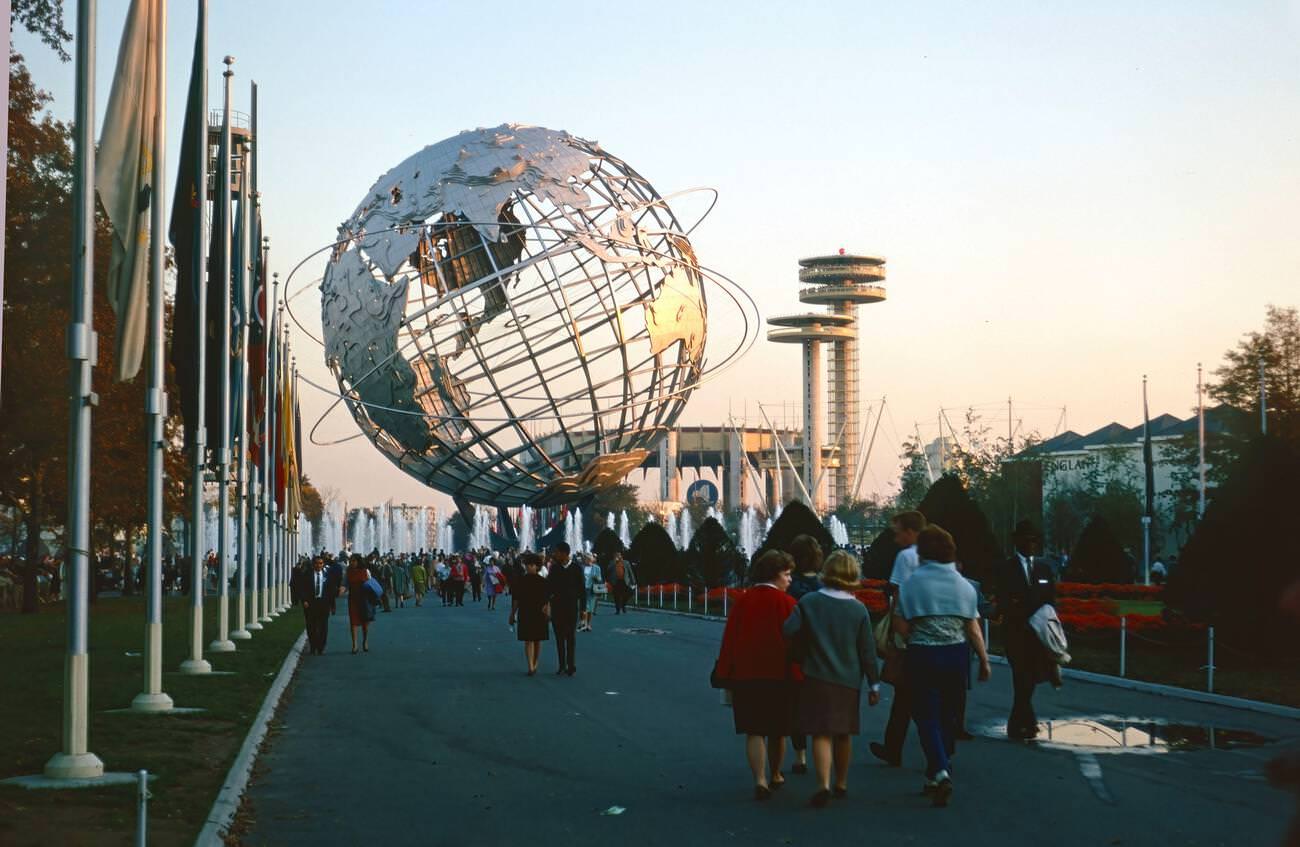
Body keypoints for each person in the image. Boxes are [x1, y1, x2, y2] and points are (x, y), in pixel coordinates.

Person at [896, 525, 991, 807]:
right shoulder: (964, 586)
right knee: (949, 713)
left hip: (923, 654)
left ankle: (939, 769)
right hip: (956, 655)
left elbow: (901, 626)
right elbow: (972, 627)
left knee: (926, 716)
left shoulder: (911, 584)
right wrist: (984, 660)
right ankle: (939, 768)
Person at [782, 550, 880, 807]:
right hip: (848, 680)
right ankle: (841, 782)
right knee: (843, 733)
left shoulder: (809, 601)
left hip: (815, 675)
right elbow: (867, 650)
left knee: (821, 733)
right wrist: (874, 683)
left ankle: (823, 783)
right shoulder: (858, 609)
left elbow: (788, 629)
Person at [713, 550, 801, 801]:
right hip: (781, 676)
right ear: (775, 575)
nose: (790, 580)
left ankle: (759, 779)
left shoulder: (743, 601)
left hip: (746, 675)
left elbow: (730, 639)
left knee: (754, 730)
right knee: (778, 730)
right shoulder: (788, 604)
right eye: (787, 574)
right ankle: (775, 774)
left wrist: (724, 672)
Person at [870, 509, 926, 767]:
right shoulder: (936, 555)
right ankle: (939, 747)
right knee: (918, 694)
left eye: (897, 532)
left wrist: (894, 629)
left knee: (906, 693)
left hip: (908, 631)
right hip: (935, 631)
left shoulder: (906, 557)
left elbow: (897, 593)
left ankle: (895, 748)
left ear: (910, 532)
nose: (894, 539)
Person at [995, 519, 1056, 740]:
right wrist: (1023, 612)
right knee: (1021, 676)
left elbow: (1050, 600)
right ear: (1017, 542)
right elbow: (1003, 600)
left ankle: (1024, 720)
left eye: (1035, 540)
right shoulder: (1005, 568)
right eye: (1027, 540)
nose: (1032, 545)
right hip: (1015, 633)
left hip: (1038, 635)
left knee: (1030, 678)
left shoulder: (1044, 568)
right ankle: (1020, 723)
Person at [785, 533, 824, 776]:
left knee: (795, 706)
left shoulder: (790, 588)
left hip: (796, 654)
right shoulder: (824, 586)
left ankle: (800, 755)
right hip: (821, 654)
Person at [508, 552, 550, 674]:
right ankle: (530, 665)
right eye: (527, 565)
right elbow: (516, 599)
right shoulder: (520, 581)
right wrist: (512, 614)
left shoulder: (543, 582)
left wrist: (548, 611)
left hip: (539, 612)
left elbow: (547, 599)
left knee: (537, 639)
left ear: (537, 566)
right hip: (525, 611)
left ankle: (535, 662)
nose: (528, 567)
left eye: (531, 565)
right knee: (528, 639)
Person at [546, 542, 584, 675]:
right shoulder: (554, 569)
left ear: (564, 553)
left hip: (571, 608)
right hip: (557, 608)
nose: (555, 554)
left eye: (557, 552)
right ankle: (562, 665)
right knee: (559, 637)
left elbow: (582, 589)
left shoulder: (576, 568)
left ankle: (571, 665)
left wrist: (583, 609)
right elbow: (549, 587)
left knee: (571, 637)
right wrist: (546, 604)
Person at [296, 556, 340, 655]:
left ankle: (321, 647)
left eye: (320, 563)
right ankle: (313, 646)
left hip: (324, 604)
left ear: (323, 564)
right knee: (311, 626)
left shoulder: (328, 575)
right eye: (316, 563)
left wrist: (332, 606)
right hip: (311, 604)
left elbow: (331, 591)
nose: (318, 565)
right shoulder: (307, 575)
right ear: (313, 564)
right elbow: (302, 588)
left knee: (323, 626)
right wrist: (304, 600)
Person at [346, 554, 376, 654]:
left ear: (358, 562)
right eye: (350, 561)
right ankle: (354, 644)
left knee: (365, 622)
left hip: (364, 599)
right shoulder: (348, 572)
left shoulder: (365, 571)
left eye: (353, 561)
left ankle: (365, 641)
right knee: (353, 622)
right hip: (353, 599)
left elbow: (371, 584)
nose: (351, 563)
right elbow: (345, 583)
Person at [580, 556, 604, 632]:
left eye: (590, 559)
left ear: (592, 560)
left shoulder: (597, 568)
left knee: (591, 608)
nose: (588, 561)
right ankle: (584, 624)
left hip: (592, 589)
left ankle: (589, 624)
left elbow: (600, 579)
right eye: (587, 559)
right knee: (584, 607)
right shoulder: (581, 567)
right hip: (583, 589)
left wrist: (596, 578)